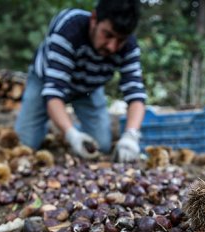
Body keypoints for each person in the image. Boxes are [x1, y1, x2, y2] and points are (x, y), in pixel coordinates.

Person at [14, 0, 147, 161]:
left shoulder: (129, 45)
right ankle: (50, 129)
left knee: (101, 145)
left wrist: (131, 135)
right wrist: (72, 135)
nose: (112, 47)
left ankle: (68, 130)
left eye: (120, 40)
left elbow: (136, 94)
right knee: (24, 145)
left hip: (88, 88)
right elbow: (54, 93)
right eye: (108, 35)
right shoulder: (68, 28)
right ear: (94, 19)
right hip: (46, 81)